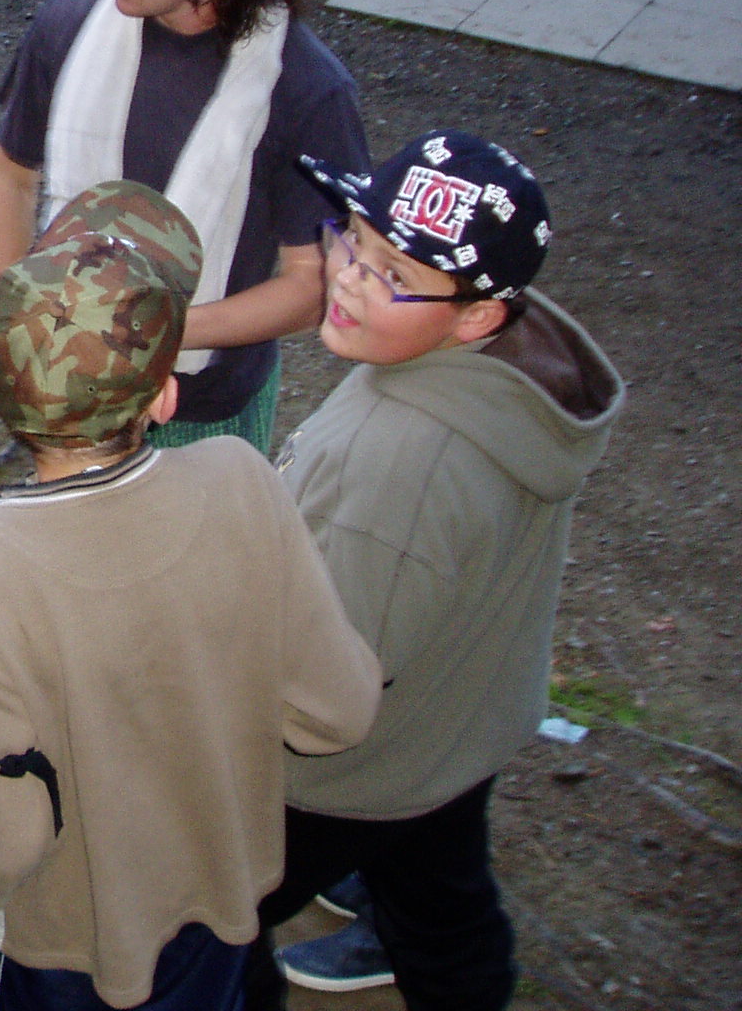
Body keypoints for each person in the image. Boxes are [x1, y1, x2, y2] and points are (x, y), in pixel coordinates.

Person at [0, 180, 381, 1011]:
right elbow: (336, 711)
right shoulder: (242, 479)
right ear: (164, 397)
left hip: (63, 947)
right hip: (220, 908)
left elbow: (4, 833)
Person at [245, 131, 624, 1011]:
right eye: (354, 241)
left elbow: (320, 695)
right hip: (454, 724)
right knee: (442, 907)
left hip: (336, 778)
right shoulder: (476, 369)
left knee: (200, 921)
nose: (349, 278)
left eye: (395, 274)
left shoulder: (397, 473)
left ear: (478, 315)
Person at [0, 0, 370, 455]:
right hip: (62, 393)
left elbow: (313, 283)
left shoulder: (305, 90)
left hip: (203, 414)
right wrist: (14, 325)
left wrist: (137, 338)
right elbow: (9, 173)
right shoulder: (68, 26)